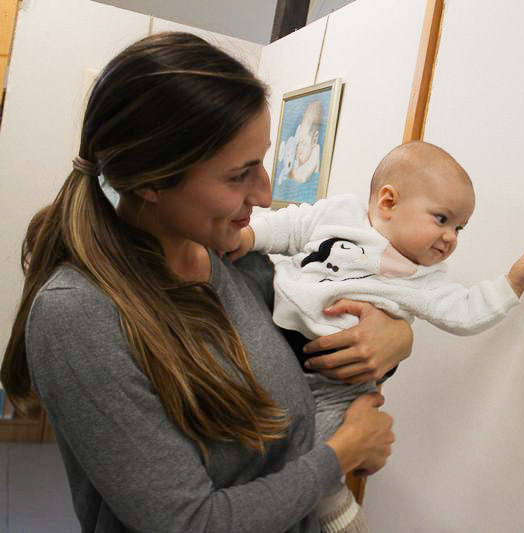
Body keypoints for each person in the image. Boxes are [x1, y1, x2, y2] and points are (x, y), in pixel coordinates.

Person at [0, 32, 413, 533]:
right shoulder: (79, 315)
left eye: (262, 161)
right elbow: (190, 522)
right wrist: (340, 454)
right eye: (239, 175)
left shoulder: (235, 260)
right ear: (152, 180)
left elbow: (324, 338)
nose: (264, 194)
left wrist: (395, 338)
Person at [231, 140, 524, 532]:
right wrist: (248, 238)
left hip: (338, 387)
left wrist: (510, 285)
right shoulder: (339, 213)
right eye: (442, 219)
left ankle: (335, 507)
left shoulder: (424, 278)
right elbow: (290, 226)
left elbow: (465, 311)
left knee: (318, 454)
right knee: (270, 445)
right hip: (280, 345)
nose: (451, 237)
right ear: (388, 202)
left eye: (459, 228)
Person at [276, 100, 323, 186]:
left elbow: (303, 177)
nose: (299, 149)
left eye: (304, 143)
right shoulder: (300, 158)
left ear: (314, 140)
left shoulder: (316, 150)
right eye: (298, 144)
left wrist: (288, 173)